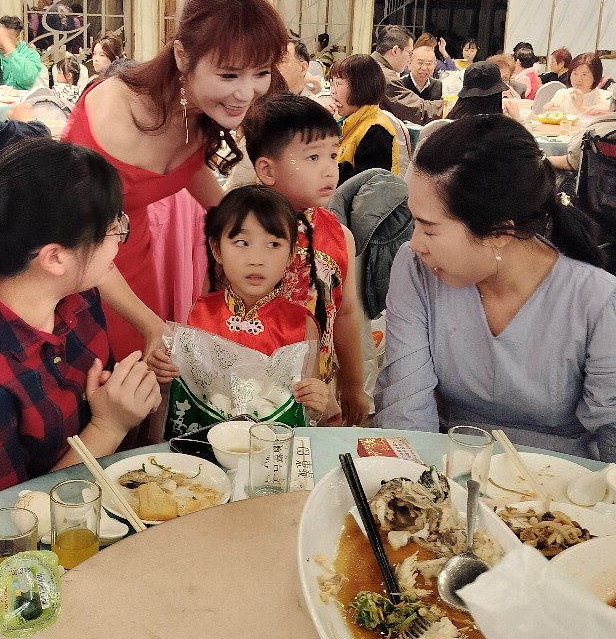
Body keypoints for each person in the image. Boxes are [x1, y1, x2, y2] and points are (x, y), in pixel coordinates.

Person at [0, 138, 161, 530]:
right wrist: (109, 426)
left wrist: (120, 398)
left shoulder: (76, 297)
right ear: (54, 257)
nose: (121, 237)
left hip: (86, 507)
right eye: (112, 228)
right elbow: (6, 528)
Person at [62, 0, 288, 362]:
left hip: (134, 260)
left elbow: (186, 168)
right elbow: (84, 241)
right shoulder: (115, 113)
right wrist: (150, 324)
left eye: (261, 72)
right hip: (78, 270)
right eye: (229, 74)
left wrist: (248, 223)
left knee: (144, 377)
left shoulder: (199, 110)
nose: (246, 92)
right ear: (183, 57)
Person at [374, 117, 616, 459]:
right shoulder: (417, 269)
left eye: (429, 229)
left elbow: (611, 437)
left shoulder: (597, 301)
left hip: (561, 481)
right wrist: (418, 484)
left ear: (500, 233)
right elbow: (405, 408)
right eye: (414, 222)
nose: (415, 244)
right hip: (446, 467)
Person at [244, 93, 371, 426]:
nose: (330, 169)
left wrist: (352, 384)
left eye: (333, 154)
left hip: (319, 391)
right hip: (251, 392)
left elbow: (345, 313)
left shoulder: (339, 236)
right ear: (267, 169)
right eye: (313, 157)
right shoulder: (240, 236)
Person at [187, 186, 335, 422]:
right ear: (216, 249)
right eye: (242, 242)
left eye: (273, 245)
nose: (256, 260)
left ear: (291, 254)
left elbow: (312, 410)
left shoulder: (301, 325)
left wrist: (318, 401)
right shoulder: (198, 314)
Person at [330, 54, 399, 181]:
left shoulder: (376, 131)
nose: (333, 91)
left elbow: (366, 185)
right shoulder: (342, 120)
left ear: (360, 87)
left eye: (338, 84)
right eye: (332, 83)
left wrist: (325, 165)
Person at [371, 25, 444, 125]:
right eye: (409, 53)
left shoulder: (371, 64)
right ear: (395, 51)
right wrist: (447, 106)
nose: (409, 59)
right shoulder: (384, 76)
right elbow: (418, 111)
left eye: (429, 63)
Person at [547, 53, 612, 118]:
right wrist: (548, 110)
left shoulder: (607, 98)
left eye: (584, 74)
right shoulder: (561, 94)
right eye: (575, 73)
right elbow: (551, 118)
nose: (578, 79)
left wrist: (581, 108)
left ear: (595, 77)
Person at [0, 15, 43, 91]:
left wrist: (10, 50)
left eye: (7, 38)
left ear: (17, 39)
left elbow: (27, 79)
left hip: (20, 97)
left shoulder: (31, 55)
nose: (1, 43)